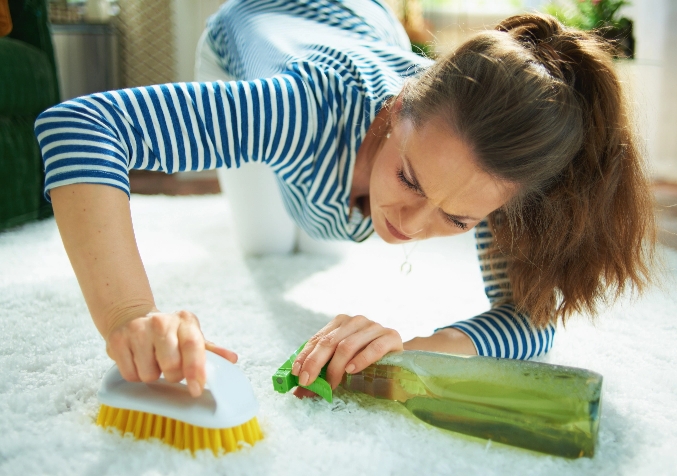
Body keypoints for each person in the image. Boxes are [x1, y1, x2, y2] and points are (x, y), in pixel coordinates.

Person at [34, 0, 655, 399]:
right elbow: (79, 127)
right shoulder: (296, 110)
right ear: (392, 114)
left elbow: (533, 321)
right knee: (272, 246)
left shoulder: (483, 170)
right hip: (255, 28)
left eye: (458, 218)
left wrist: (410, 349)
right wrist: (129, 315)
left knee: (327, 227)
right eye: (410, 179)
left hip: (367, 19)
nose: (411, 225)